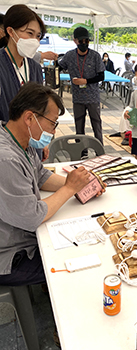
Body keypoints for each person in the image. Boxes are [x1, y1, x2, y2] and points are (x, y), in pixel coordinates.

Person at [0, 82, 105, 286]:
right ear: (29, 118)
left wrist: (81, 184)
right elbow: (32, 216)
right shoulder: (6, 159)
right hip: (11, 254)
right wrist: (69, 188)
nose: (54, 131)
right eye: (53, 123)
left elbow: (40, 176)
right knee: (79, 262)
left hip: (21, 236)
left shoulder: (20, 140)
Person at [0, 5, 49, 161]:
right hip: (5, 150)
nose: (34, 40)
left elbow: (41, 107)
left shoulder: (34, 67)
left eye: (38, 36)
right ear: (10, 31)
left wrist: (43, 138)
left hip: (32, 147)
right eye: (29, 33)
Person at [59, 26, 105, 150]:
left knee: (97, 125)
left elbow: (101, 76)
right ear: (75, 41)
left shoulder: (95, 56)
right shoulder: (69, 56)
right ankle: (81, 151)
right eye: (81, 41)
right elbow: (59, 67)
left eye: (87, 41)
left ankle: (99, 150)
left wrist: (85, 81)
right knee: (79, 126)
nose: (84, 44)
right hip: (78, 98)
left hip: (93, 97)